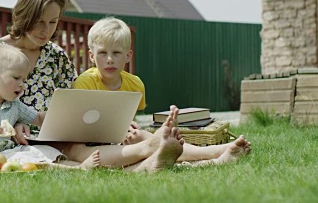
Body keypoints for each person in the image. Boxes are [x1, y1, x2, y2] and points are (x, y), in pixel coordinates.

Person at [0, 0, 188, 172]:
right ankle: (149, 150)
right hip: (16, 137)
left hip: (58, 132)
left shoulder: (56, 56)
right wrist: (14, 123)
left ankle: (210, 154)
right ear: (23, 14)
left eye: (52, 22)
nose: (45, 30)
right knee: (75, 150)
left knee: (87, 143)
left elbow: (76, 103)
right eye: (39, 21)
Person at [73, 16, 252, 165]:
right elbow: (78, 126)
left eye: (116, 53)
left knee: (141, 135)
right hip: (92, 140)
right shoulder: (84, 83)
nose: (110, 59)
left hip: (120, 137)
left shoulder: (135, 85)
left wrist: (130, 127)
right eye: (103, 53)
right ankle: (170, 150)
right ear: (92, 56)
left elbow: (130, 118)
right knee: (147, 141)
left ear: (128, 56)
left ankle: (215, 151)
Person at [0, 44, 102, 169]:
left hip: (11, 152)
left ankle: (78, 165)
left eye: (24, 79)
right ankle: (78, 169)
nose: (22, 84)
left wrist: (65, 114)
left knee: (44, 150)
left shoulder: (14, 105)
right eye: (17, 78)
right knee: (27, 158)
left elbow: (38, 118)